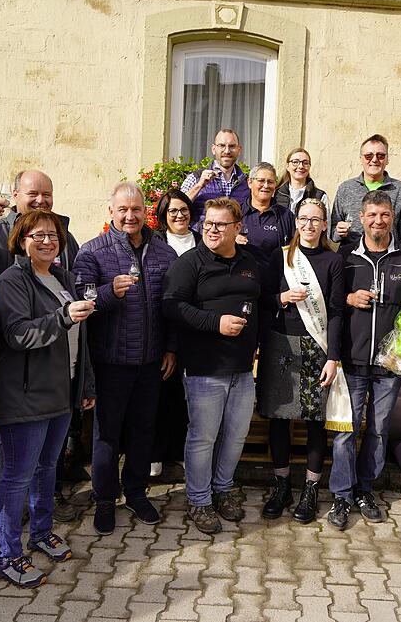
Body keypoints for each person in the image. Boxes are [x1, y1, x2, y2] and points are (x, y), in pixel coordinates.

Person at [0, 169, 83, 519]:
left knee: (49, 444)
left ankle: (45, 501)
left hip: (53, 358)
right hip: (5, 352)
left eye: (47, 193)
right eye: (32, 193)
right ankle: (14, 510)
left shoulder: (63, 236)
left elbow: (72, 285)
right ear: (14, 195)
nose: (40, 199)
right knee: (16, 444)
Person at [0, 210, 96, 587]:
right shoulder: (12, 280)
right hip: (24, 395)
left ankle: (40, 532)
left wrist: (84, 386)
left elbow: (78, 342)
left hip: (60, 393)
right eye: (38, 235)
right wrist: (64, 317)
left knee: (47, 470)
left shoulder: (62, 278)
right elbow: (18, 335)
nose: (47, 241)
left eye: (53, 236)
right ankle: (6, 555)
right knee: (16, 478)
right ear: (22, 241)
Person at [74, 182, 178, 536]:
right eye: (123, 210)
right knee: (107, 434)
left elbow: (172, 307)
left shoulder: (164, 253)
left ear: (145, 211)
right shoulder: (92, 251)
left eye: (136, 209)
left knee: (143, 430)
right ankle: (105, 498)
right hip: (110, 361)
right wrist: (107, 293)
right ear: (111, 212)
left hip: (150, 360)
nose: (130, 216)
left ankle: (135, 491)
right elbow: (80, 297)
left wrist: (171, 348)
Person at [163, 197, 262, 534]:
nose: (213, 230)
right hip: (205, 368)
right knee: (203, 438)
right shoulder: (190, 263)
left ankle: (222, 490)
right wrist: (214, 322)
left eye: (221, 225)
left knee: (236, 437)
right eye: (208, 224)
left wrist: (256, 343)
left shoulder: (249, 262)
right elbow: (171, 306)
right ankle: (200, 500)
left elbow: (258, 304)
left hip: (242, 369)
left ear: (238, 228)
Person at [327, 190, 401, 531]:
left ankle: (365, 489)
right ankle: (341, 495)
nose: (378, 221)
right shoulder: (344, 256)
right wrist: (350, 297)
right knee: (345, 431)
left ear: (392, 218)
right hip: (352, 360)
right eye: (372, 215)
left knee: (379, 429)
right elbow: (330, 300)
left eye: (384, 215)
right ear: (362, 218)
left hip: (389, 364)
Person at [257, 198, 345, 523]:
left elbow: (336, 312)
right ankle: (281, 486)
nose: (309, 225)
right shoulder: (281, 257)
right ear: (296, 222)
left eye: (316, 220)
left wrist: (333, 356)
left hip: (316, 347)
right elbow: (261, 297)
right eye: (304, 219)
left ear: (324, 225)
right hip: (281, 346)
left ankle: (310, 489)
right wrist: (280, 297)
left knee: (314, 421)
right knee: (279, 418)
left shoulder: (333, 261)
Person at [150, 189, 201, 477]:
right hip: (165, 327)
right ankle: (156, 453)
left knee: (190, 398)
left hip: (195, 330)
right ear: (163, 216)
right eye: (172, 211)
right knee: (162, 394)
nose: (179, 215)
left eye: (183, 210)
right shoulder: (156, 244)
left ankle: (181, 451)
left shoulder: (202, 241)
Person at [329, 134, 401, 247]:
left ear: (387, 159)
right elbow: (332, 231)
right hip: (352, 258)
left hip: (390, 258)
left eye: (380, 155)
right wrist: (338, 233)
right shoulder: (345, 189)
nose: (374, 160)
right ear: (361, 159)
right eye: (368, 156)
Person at [180, 129, 250, 226]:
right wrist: (199, 185)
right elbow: (178, 206)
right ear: (213, 149)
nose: (227, 151)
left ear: (239, 150)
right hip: (201, 239)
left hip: (234, 240)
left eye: (232, 146)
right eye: (221, 145)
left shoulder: (247, 183)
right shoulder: (196, 178)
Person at [237, 162, 296, 272]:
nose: (266, 185)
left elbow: (294, 252)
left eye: (270, 182)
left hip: (273, 281)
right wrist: (231, 240)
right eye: (261, 180)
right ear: (249, 182)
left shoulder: (286, 216)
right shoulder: (236, 213)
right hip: (241, 280)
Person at [274, 147, 329, 215]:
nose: (300, 166)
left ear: (309, 167)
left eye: (305, 163)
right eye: (295, 162)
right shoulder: (276, 194)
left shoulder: (320, 196)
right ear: (287, 166)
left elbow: (326, 224)